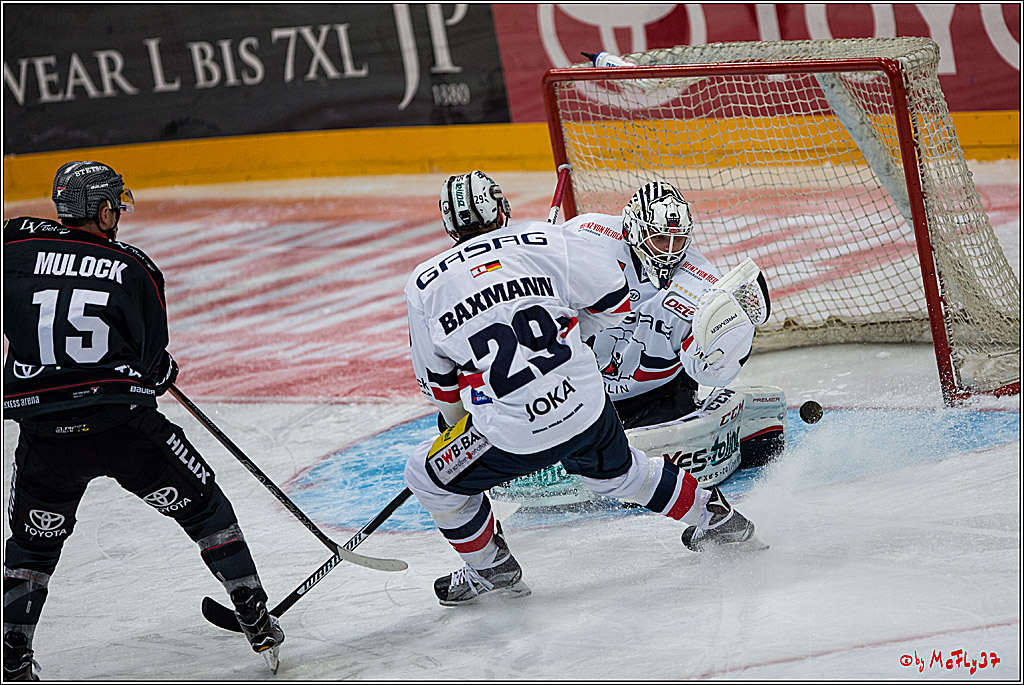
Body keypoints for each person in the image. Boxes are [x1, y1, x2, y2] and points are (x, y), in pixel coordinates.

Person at [402, 170, 765, 607]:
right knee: (622, 474)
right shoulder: (544, 240)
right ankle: (719, 518)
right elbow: (614, 300)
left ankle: (491, 568)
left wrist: (464, 429)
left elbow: (442, 391)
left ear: (448, 227)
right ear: (504, 209)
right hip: (587, 403)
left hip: (515, 432)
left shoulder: (423, 284)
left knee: (427, 476)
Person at [2, 162, 283, 680]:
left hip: (45, 434)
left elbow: (19, 241)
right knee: (204, 509)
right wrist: (161, 368)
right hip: (123, 427)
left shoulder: (12, 251)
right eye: (115, 206)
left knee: (31, 545)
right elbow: (152, 364)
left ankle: (13, 654)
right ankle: (253, 610)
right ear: (105, 209)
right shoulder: (134, 267)